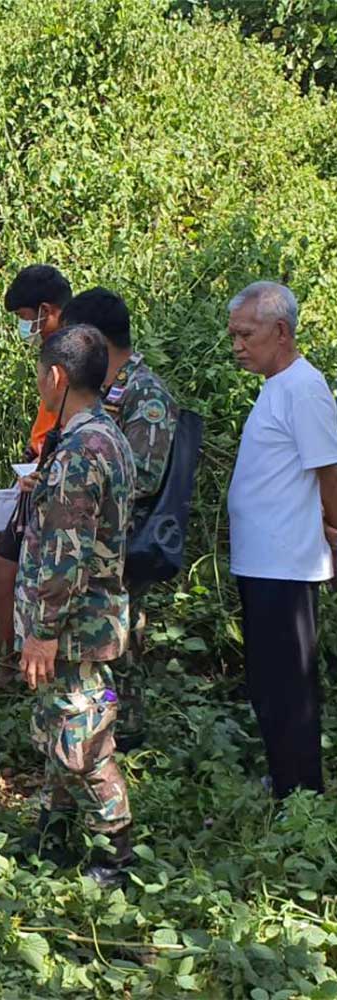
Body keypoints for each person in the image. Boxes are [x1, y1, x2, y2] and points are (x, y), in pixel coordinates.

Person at [15, 324, 136, 887]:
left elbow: (66, 556)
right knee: (61, 722)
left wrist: (42, 630)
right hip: (90, 615)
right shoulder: (104, 437)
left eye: (41, 374)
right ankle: (54, 831)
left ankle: (115, 851)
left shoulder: (79, 452)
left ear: (57, 376)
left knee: (83, 737)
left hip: (74, 623)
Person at [227, 281, 337, 798]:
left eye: (246, 334)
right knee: (268, 683)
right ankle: (284, 779)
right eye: (234, 336)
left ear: (282, 331)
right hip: (263, 562)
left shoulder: (304, 388)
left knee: (289, 687)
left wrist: (334, 530)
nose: (238, 346)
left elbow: (328, 471)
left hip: (287, 564)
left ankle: (301, 793)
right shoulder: (279, 386)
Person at [59, 288, 179, 745]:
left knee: (122, 636)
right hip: (99, 536)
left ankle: (124, 732)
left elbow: (143, 476)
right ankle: (103, 723)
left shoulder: (146, 394)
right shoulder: (107, 389)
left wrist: (81, 478)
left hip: (125, 538)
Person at [0, 264, 73, 657]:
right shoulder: (54, 348)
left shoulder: (73, 352)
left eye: (26, 319)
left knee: (14, 568)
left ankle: (23, 656)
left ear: (47, 309)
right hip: (36, 467)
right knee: (4, 566)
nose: (25, 327)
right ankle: (13, 654)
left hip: (50, 473)